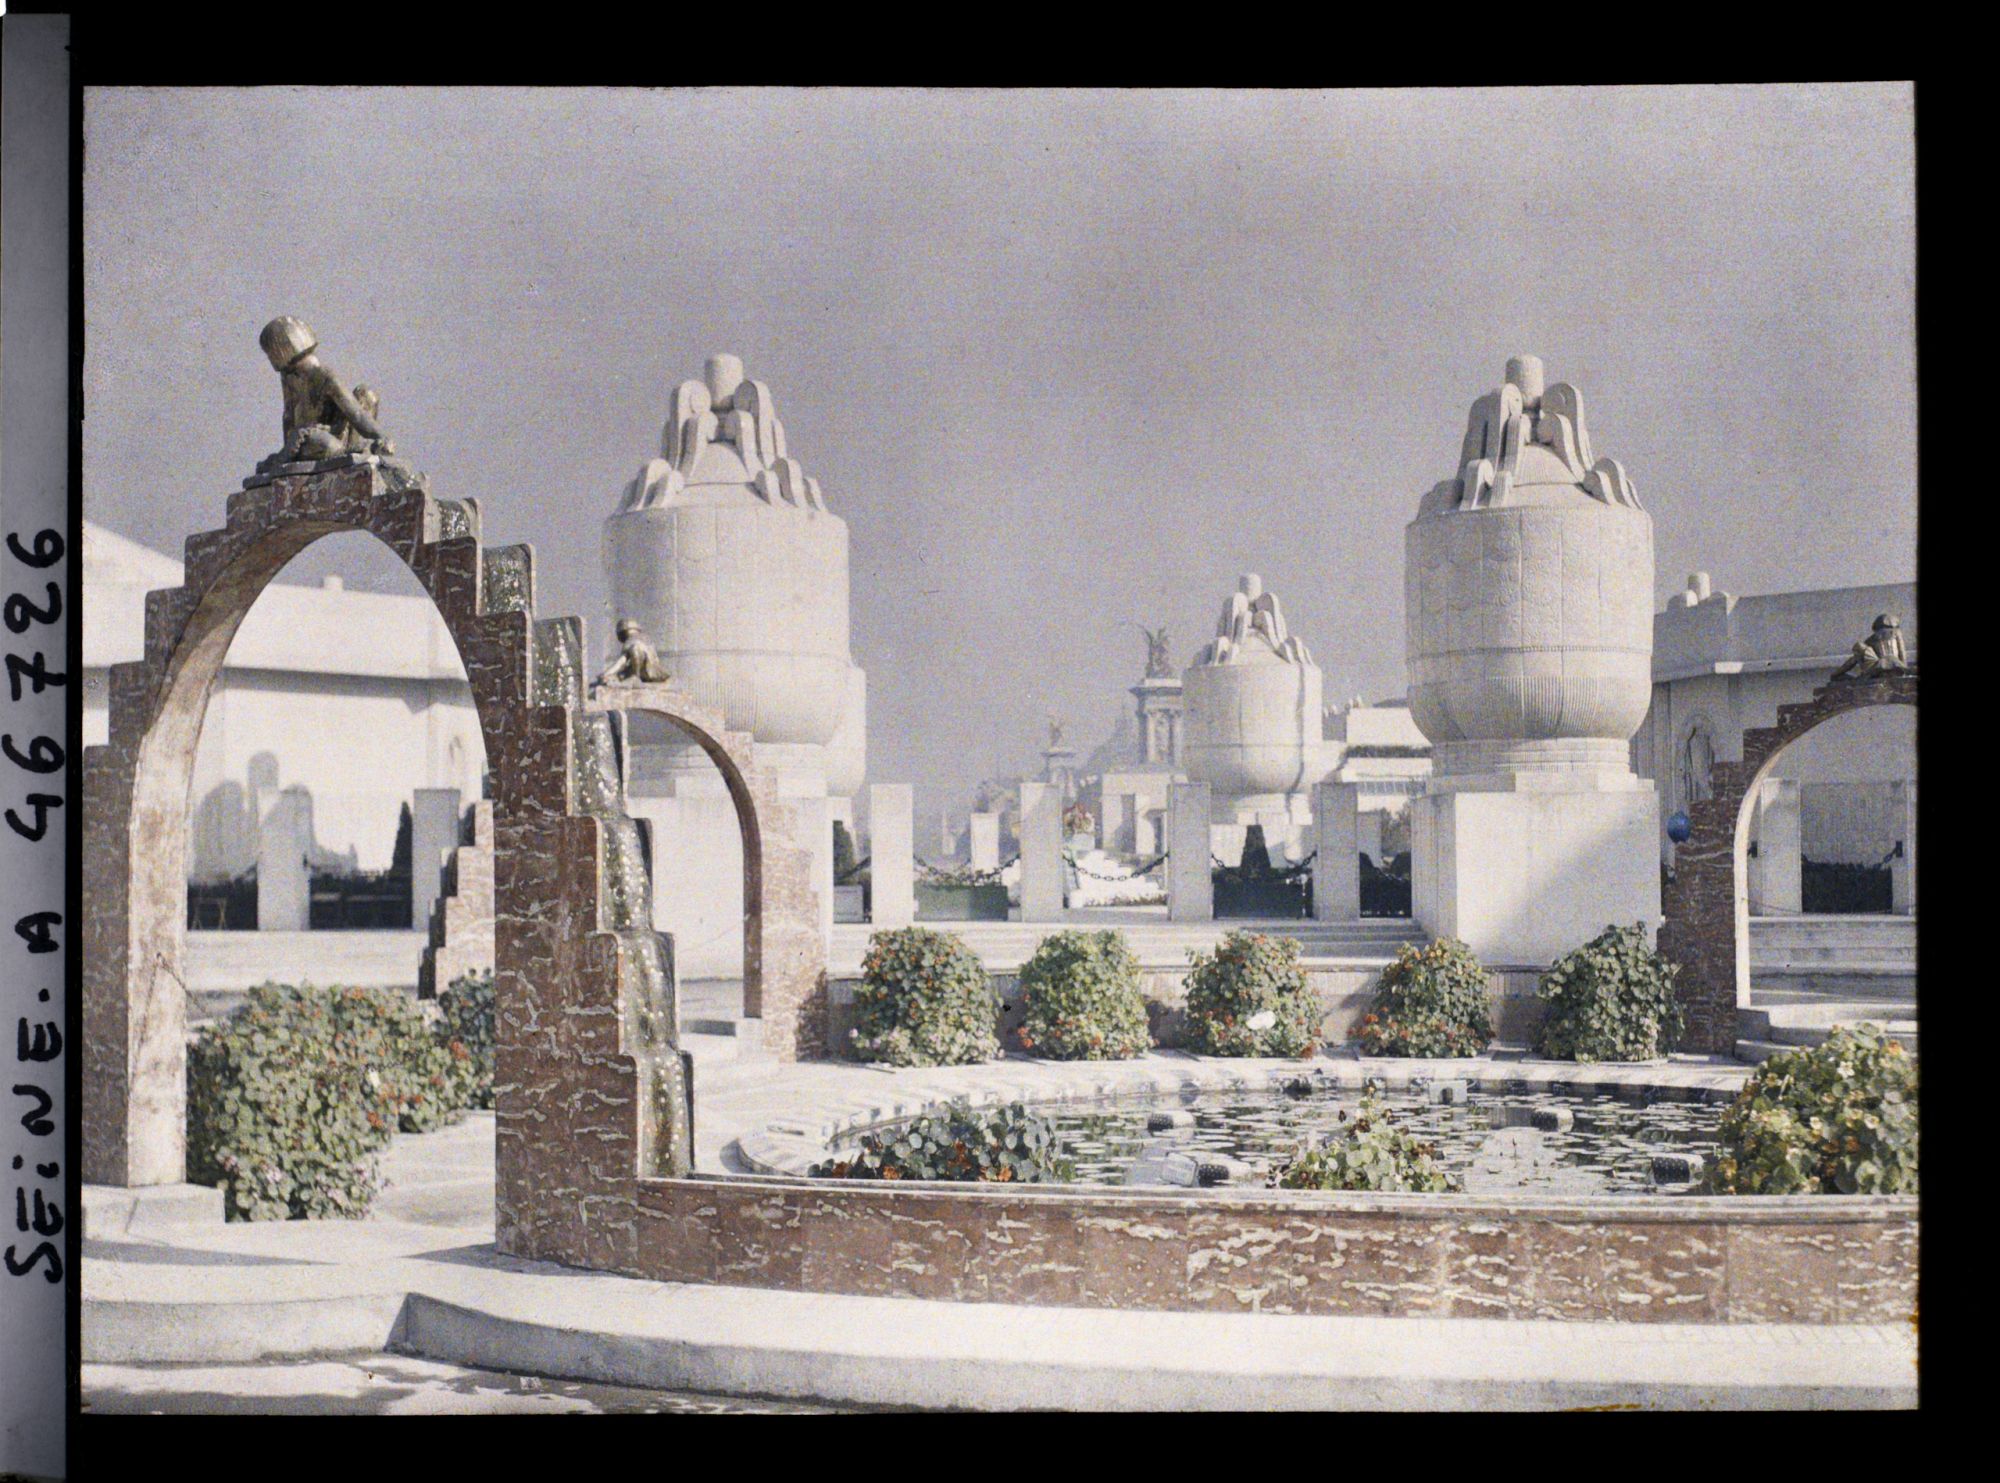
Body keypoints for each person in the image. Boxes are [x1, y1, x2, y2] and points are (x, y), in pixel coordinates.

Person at [257, 316, 394, 464]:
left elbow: (357, 414)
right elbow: (289, 417)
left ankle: (349, 451)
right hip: (310, 438)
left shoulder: (324, 376)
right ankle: (345, 453)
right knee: (322, 443)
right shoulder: (290, 377)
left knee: (366, 395)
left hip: (333, 437)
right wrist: (287, 452)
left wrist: (383, 438)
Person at [592, 619, 671, 692]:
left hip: (644, 673)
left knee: (634, 649)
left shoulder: (632, 641)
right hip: (651, 672)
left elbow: (621, 662)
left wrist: (606, 674)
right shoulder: (645, 639)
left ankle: (635, 677)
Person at [1831, 614, 1911, 681]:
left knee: (1860, 647)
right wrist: (1904, 669)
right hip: (1894, 666)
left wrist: (1837, 673)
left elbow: (1852, 661)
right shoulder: (1896, 632)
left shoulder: (1870, 640)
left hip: (1877, 669)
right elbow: (1902, 652)